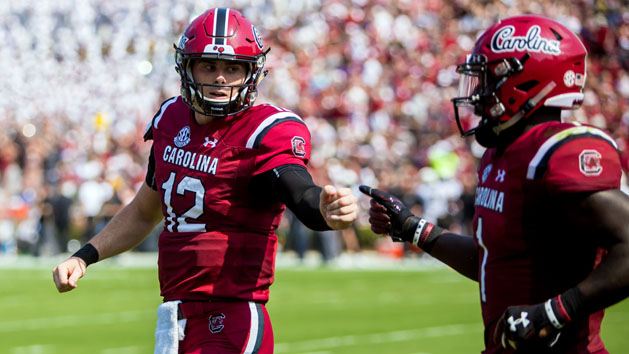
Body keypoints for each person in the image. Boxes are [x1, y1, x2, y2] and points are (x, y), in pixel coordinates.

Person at [52, 8, 358, 354]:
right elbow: (143, 212)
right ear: (187, 67)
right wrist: (84, 256)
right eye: (208, 66)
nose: (221, 78)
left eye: (232, 67)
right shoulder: (171, 118)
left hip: (232, 316)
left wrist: (323, 208)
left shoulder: (265, 130)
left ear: (251, 72)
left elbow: (298, 189)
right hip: (175, 316)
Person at [360, 15, 629, 354]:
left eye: (489, 78)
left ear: (527, 83)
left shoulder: (557, 150)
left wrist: (557, 311)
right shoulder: (499, 155)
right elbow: (495, 260)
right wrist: (413, 228)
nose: (478, 93)